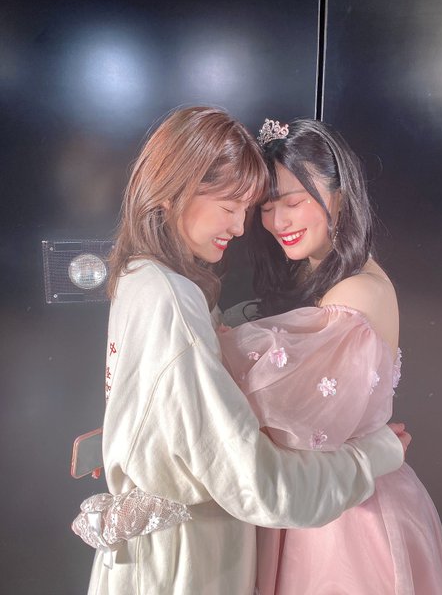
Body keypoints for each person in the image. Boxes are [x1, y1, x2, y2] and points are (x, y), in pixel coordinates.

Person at [81, 107, 407, 595]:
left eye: (250, 208)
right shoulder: (172, 297)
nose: (244, 227)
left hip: (306, 515)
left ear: (340, 195)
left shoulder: (138, 275)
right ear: (175, 190)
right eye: (234, 206)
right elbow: (254, 479)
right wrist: (373, 455)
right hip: (193, 551)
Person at [219, 117, 442, 594]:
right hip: (319, 490)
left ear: (340, 196)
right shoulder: (315, 272)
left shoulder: (356, 291)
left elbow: (281, 407)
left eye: (294, 202)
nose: (279, 222)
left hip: (349, 512)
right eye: (266, 207)